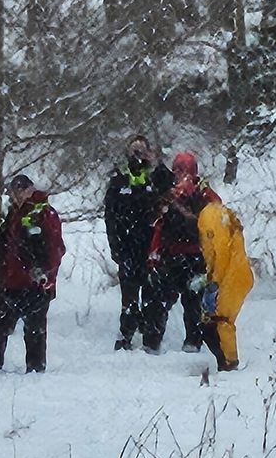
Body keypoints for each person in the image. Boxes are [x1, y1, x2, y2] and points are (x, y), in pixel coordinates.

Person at [0, 171, 64, 374]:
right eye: (12, 193)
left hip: (34, 284)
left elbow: (56, 248)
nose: (14, 197)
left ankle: (35, 371)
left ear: (28, 190)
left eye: (18, 191)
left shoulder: (44, 213)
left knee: (34, 331)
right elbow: (3, 249)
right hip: (9, 283)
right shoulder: (14, 214)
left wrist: (46, 275)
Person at [102, 137, 171, 351]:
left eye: (142, 150)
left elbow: (171, 186)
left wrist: (157, 164)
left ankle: (151, 337)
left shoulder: (156, 178)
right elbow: (110, 215)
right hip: (127, 246)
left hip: (151, 247)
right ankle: (126, 335)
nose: (138, 155)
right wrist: (115, 246)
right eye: (134, 150)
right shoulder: (119, 180)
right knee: (129, 296)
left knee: (152, 294)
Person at [140, 151, 211, 353]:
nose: (182, 174)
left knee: (191, 301)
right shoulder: (168, 192)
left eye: (185, 169)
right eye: (178, 169)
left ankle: (191, 342)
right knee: (164, 300)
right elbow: (155, 221)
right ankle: (154, 342)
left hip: (192, 255)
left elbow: (215, 217)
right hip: (174, 255)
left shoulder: (202, 193)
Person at [193, 177, 254, 373]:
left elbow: (221, 251)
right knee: (212, 320)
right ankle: (226, 361)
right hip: (234, 273)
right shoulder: (217, 213)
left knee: (220, 320)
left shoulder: (209, 217)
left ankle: (229, 364)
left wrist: (215, 282)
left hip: (231, 276)